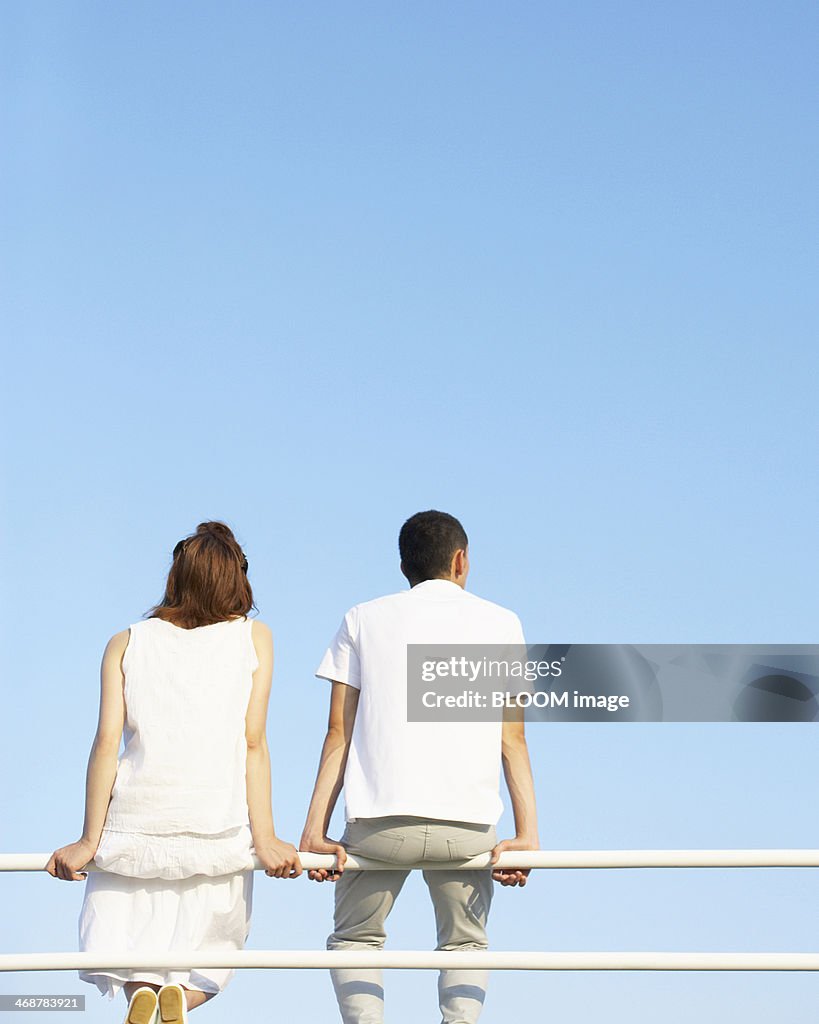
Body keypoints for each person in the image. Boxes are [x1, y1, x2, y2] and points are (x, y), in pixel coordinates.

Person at [46, 521, 302, 1024]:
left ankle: (144, 991)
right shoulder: (255, 638)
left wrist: (87, 839)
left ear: (175, 576)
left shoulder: (126, 641)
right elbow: (254, 742)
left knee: (132, 939)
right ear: (238, 578)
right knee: (209, 950)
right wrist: (266, 837)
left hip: (134, 827)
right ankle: (180, 1000)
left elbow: (104, 745)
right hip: (214, 825)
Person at [300, 510, 539, 1024]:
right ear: (460, 560)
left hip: (379, 823)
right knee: (464, 946)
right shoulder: (503, 622)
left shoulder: (361, 618)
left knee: (356, 939)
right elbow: (512, 738)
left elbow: (337, 734)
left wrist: (313, 832)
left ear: (405, 565)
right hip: (468, 827)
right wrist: (527, 835)